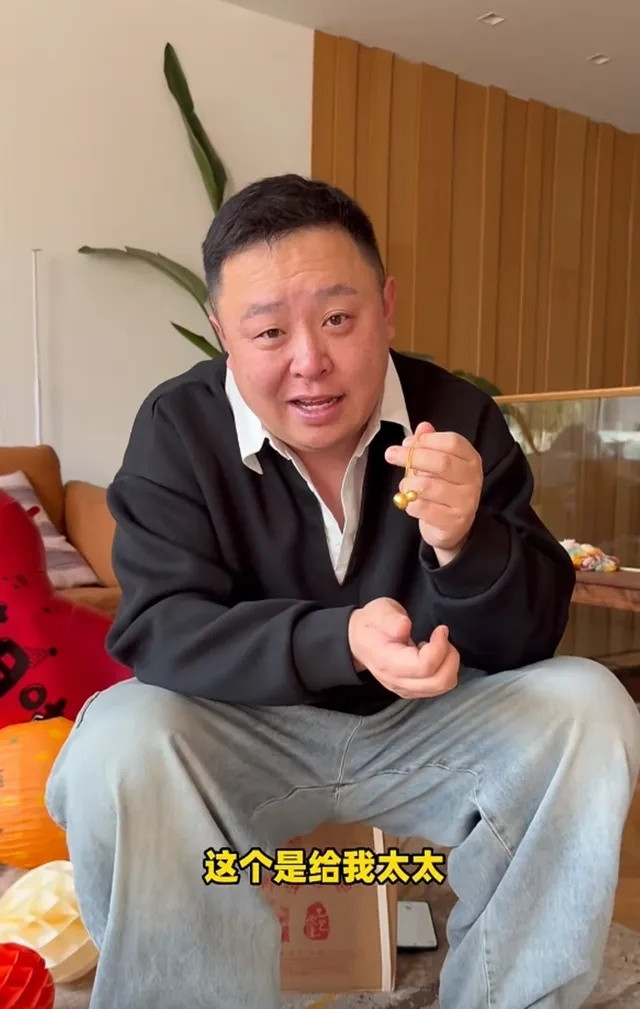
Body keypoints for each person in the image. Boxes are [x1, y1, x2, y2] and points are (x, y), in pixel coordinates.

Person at [45, 174, 640, 1009]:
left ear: (385, 306)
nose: (309, 362)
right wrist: (340, 639)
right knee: (119, 736)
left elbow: (532, 633)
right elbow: (159, 628)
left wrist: (465, 544)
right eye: (268, 331)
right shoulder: (178, 428)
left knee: (589, 704)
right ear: (222, 332)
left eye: (337, 319)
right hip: (248, 730)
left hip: (433, 728)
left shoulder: (456, 417)